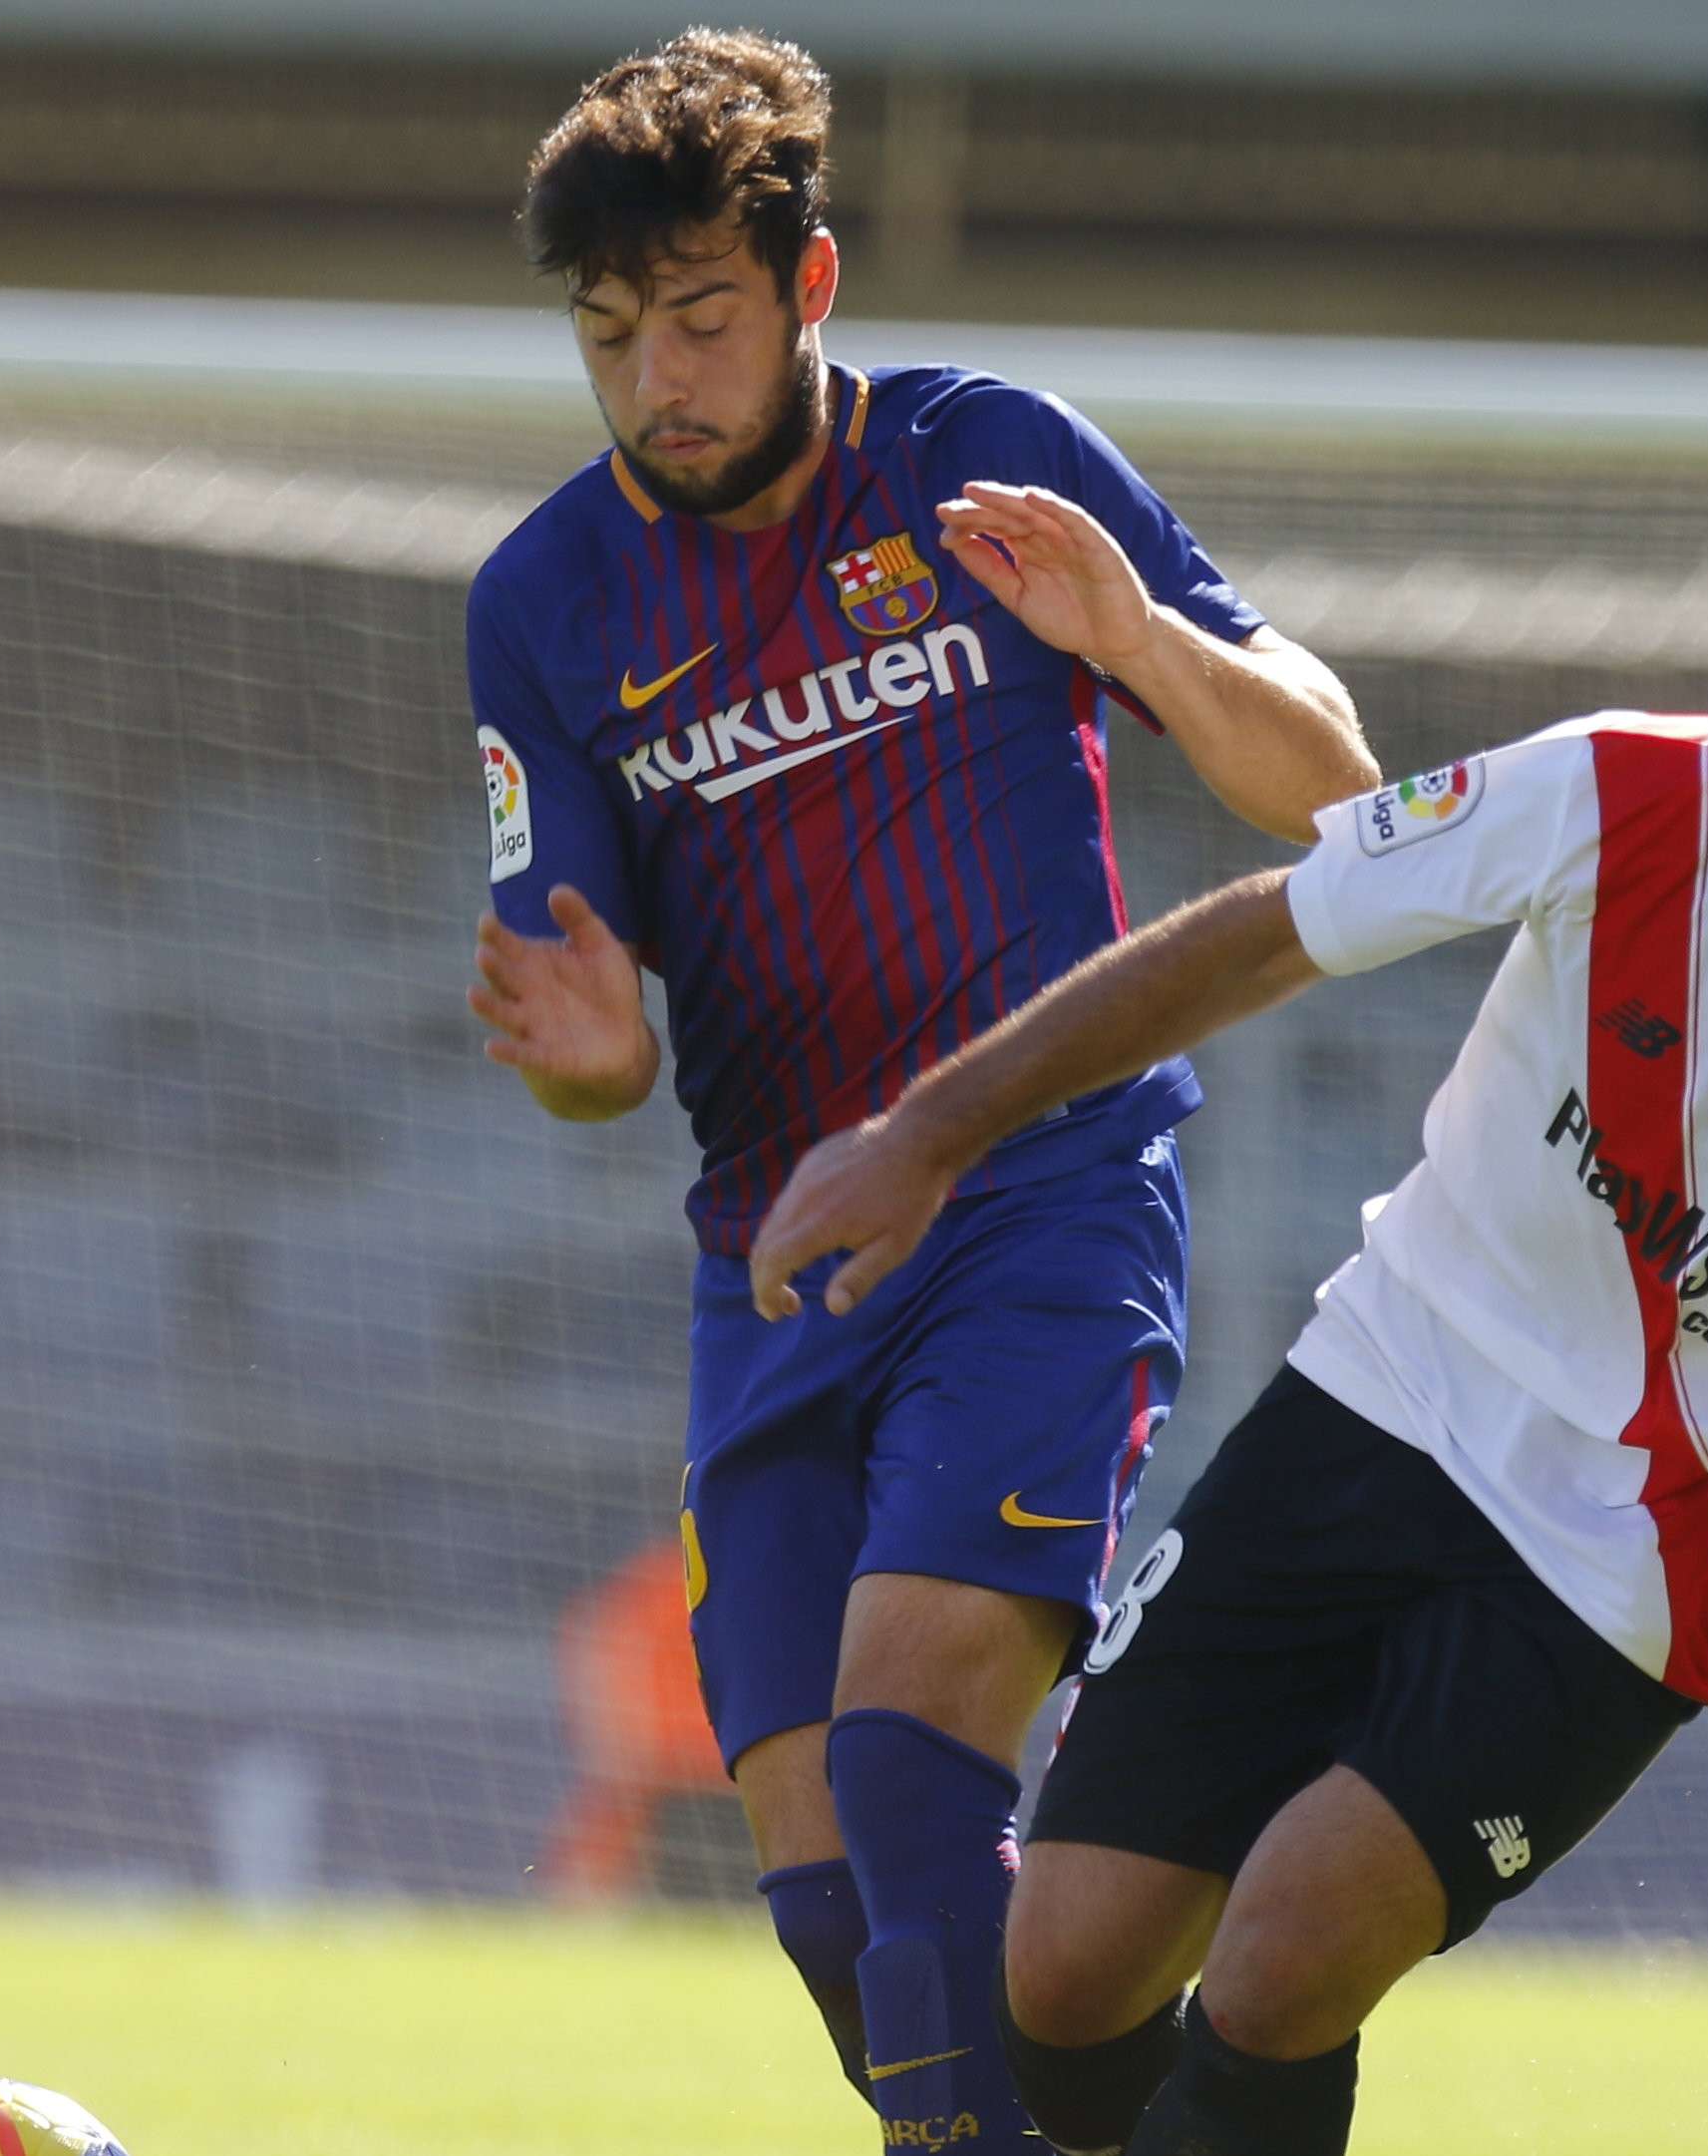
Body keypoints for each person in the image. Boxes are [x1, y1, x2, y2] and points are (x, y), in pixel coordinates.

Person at [754, 503, 1708, 2156]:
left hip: (1627, 1561)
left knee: (1282, 1961)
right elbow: (1274, 928)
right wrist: (932, 1127)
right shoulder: (1629, 791)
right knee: (1063, 1975)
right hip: (1381, 1390)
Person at [460, 28, 1371, 2147]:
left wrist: (1136, 638)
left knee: (904, 1759)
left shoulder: (986, 460)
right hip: (772, 1261)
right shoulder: (541, 603)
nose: (655, 378)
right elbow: (585, 1026)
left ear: (809, 286)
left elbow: (1338, 789)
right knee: (813, 1894)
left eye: (697, 318)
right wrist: (589, 1071)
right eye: (608, 336)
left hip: (1045, 1202)